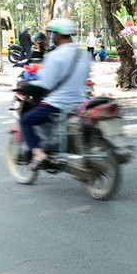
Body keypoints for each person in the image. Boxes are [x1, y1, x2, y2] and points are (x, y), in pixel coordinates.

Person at [19, 19, 90, 169]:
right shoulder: (83, 54)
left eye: (52, 34)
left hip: (58, 104)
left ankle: (38, 154)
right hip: (79, 102)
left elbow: (47, 84)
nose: (51, 37)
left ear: (57, 35)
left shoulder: (55, 55)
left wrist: (32, 82)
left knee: (25, 120)